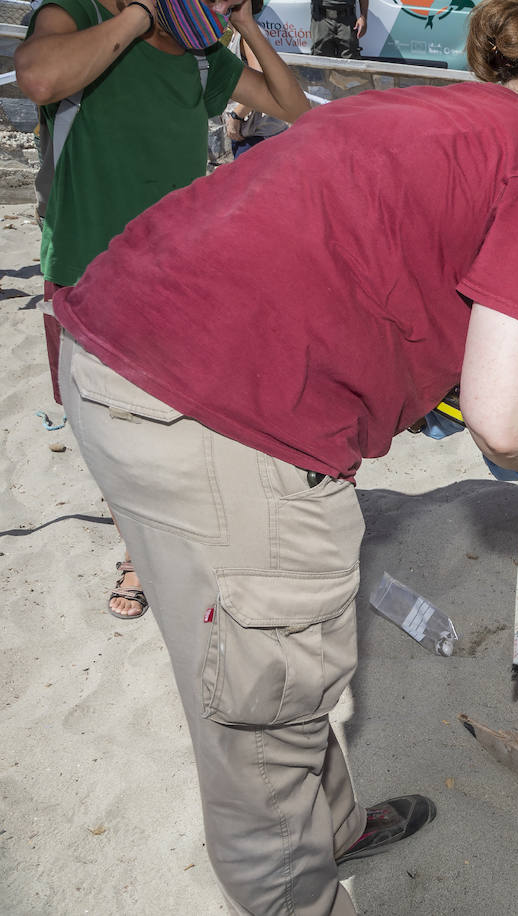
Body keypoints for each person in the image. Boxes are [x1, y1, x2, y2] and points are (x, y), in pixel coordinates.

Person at [50, 0, 518, 910]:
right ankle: (296, 886)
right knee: (263, 710)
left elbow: (343, 247)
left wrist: (410, 380)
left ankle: (333, 825)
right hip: (214, 411)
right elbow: (507, 420)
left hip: (115, 347)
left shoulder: (423, 106)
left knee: (277, 671)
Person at [16, 0, 308, 618]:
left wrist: (247, 26)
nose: (217, 7)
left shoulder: (202, 57)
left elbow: (296, 108)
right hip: (86, 270)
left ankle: (166, 544)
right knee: (107, 427)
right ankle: (138, 550)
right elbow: (37, 78)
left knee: (176, 423)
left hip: (177, 276)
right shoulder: (77, 13)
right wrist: (140, 15)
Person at [225, 3, 290, 159]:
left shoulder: (247, 34)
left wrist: (236, 116)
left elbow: (261, 80)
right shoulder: (238, 33)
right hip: (252, 133)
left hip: (259, 136)